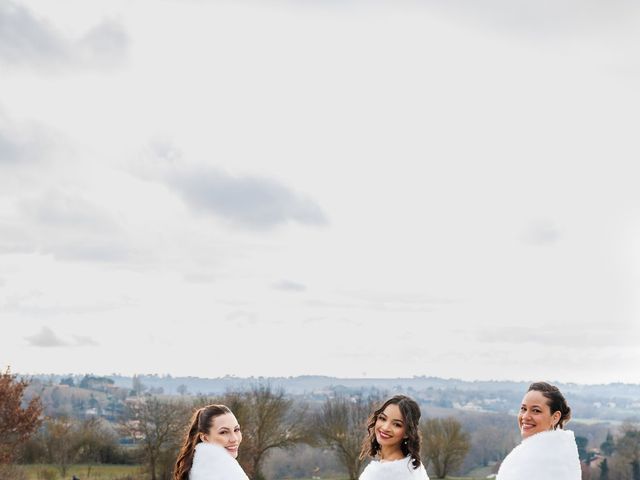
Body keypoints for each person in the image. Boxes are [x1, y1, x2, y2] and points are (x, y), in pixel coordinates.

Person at [496, 381, 581, 480]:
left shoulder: (542, 462)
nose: (525, 416)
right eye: (523, 409)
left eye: (536, 410)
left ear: (555, 417)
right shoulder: (560, 454)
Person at [359, 395, 429, 480]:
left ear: (407, 433)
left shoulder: (376, 474)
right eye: (383, 418)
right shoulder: (415, 467)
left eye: (397, 424)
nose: (385, 428)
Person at [173, 404, 249, 480]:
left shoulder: (199, 471)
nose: (234, 439)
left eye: (236, 430)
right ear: (205, 438)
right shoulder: (226, 474)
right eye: (223, 432)